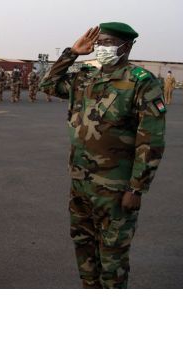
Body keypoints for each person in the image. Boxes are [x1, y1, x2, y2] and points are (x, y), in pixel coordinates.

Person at [40, 22, 166, 289]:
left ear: (127, 46)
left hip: (116, 190)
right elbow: (48, 84)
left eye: (109, 43)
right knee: (84, 247)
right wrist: (72, 52)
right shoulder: (85, 76)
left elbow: (151, 140)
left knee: (112, 258)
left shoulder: (141, 82)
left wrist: (137, 188)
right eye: (99, 43)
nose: (102, 48)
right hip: (80, 183)